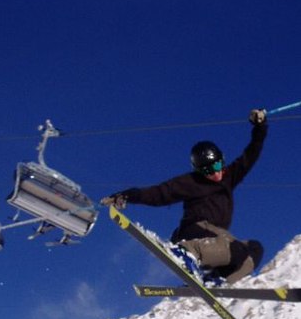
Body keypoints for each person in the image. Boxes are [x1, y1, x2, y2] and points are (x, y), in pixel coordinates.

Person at [102, 109, 268, 284]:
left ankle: (218, 282)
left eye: (218, 165)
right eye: (208, 170)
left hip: (216, 243)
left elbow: (251, 154)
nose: (215, 172)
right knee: (236, 248)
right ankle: (185, 252)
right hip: (194, 231)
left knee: (253, 249)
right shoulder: (191, 182)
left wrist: (260, 126)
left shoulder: (229, 177)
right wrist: (127, 195)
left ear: (222, 160)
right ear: (199, 171)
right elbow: (158, 193)